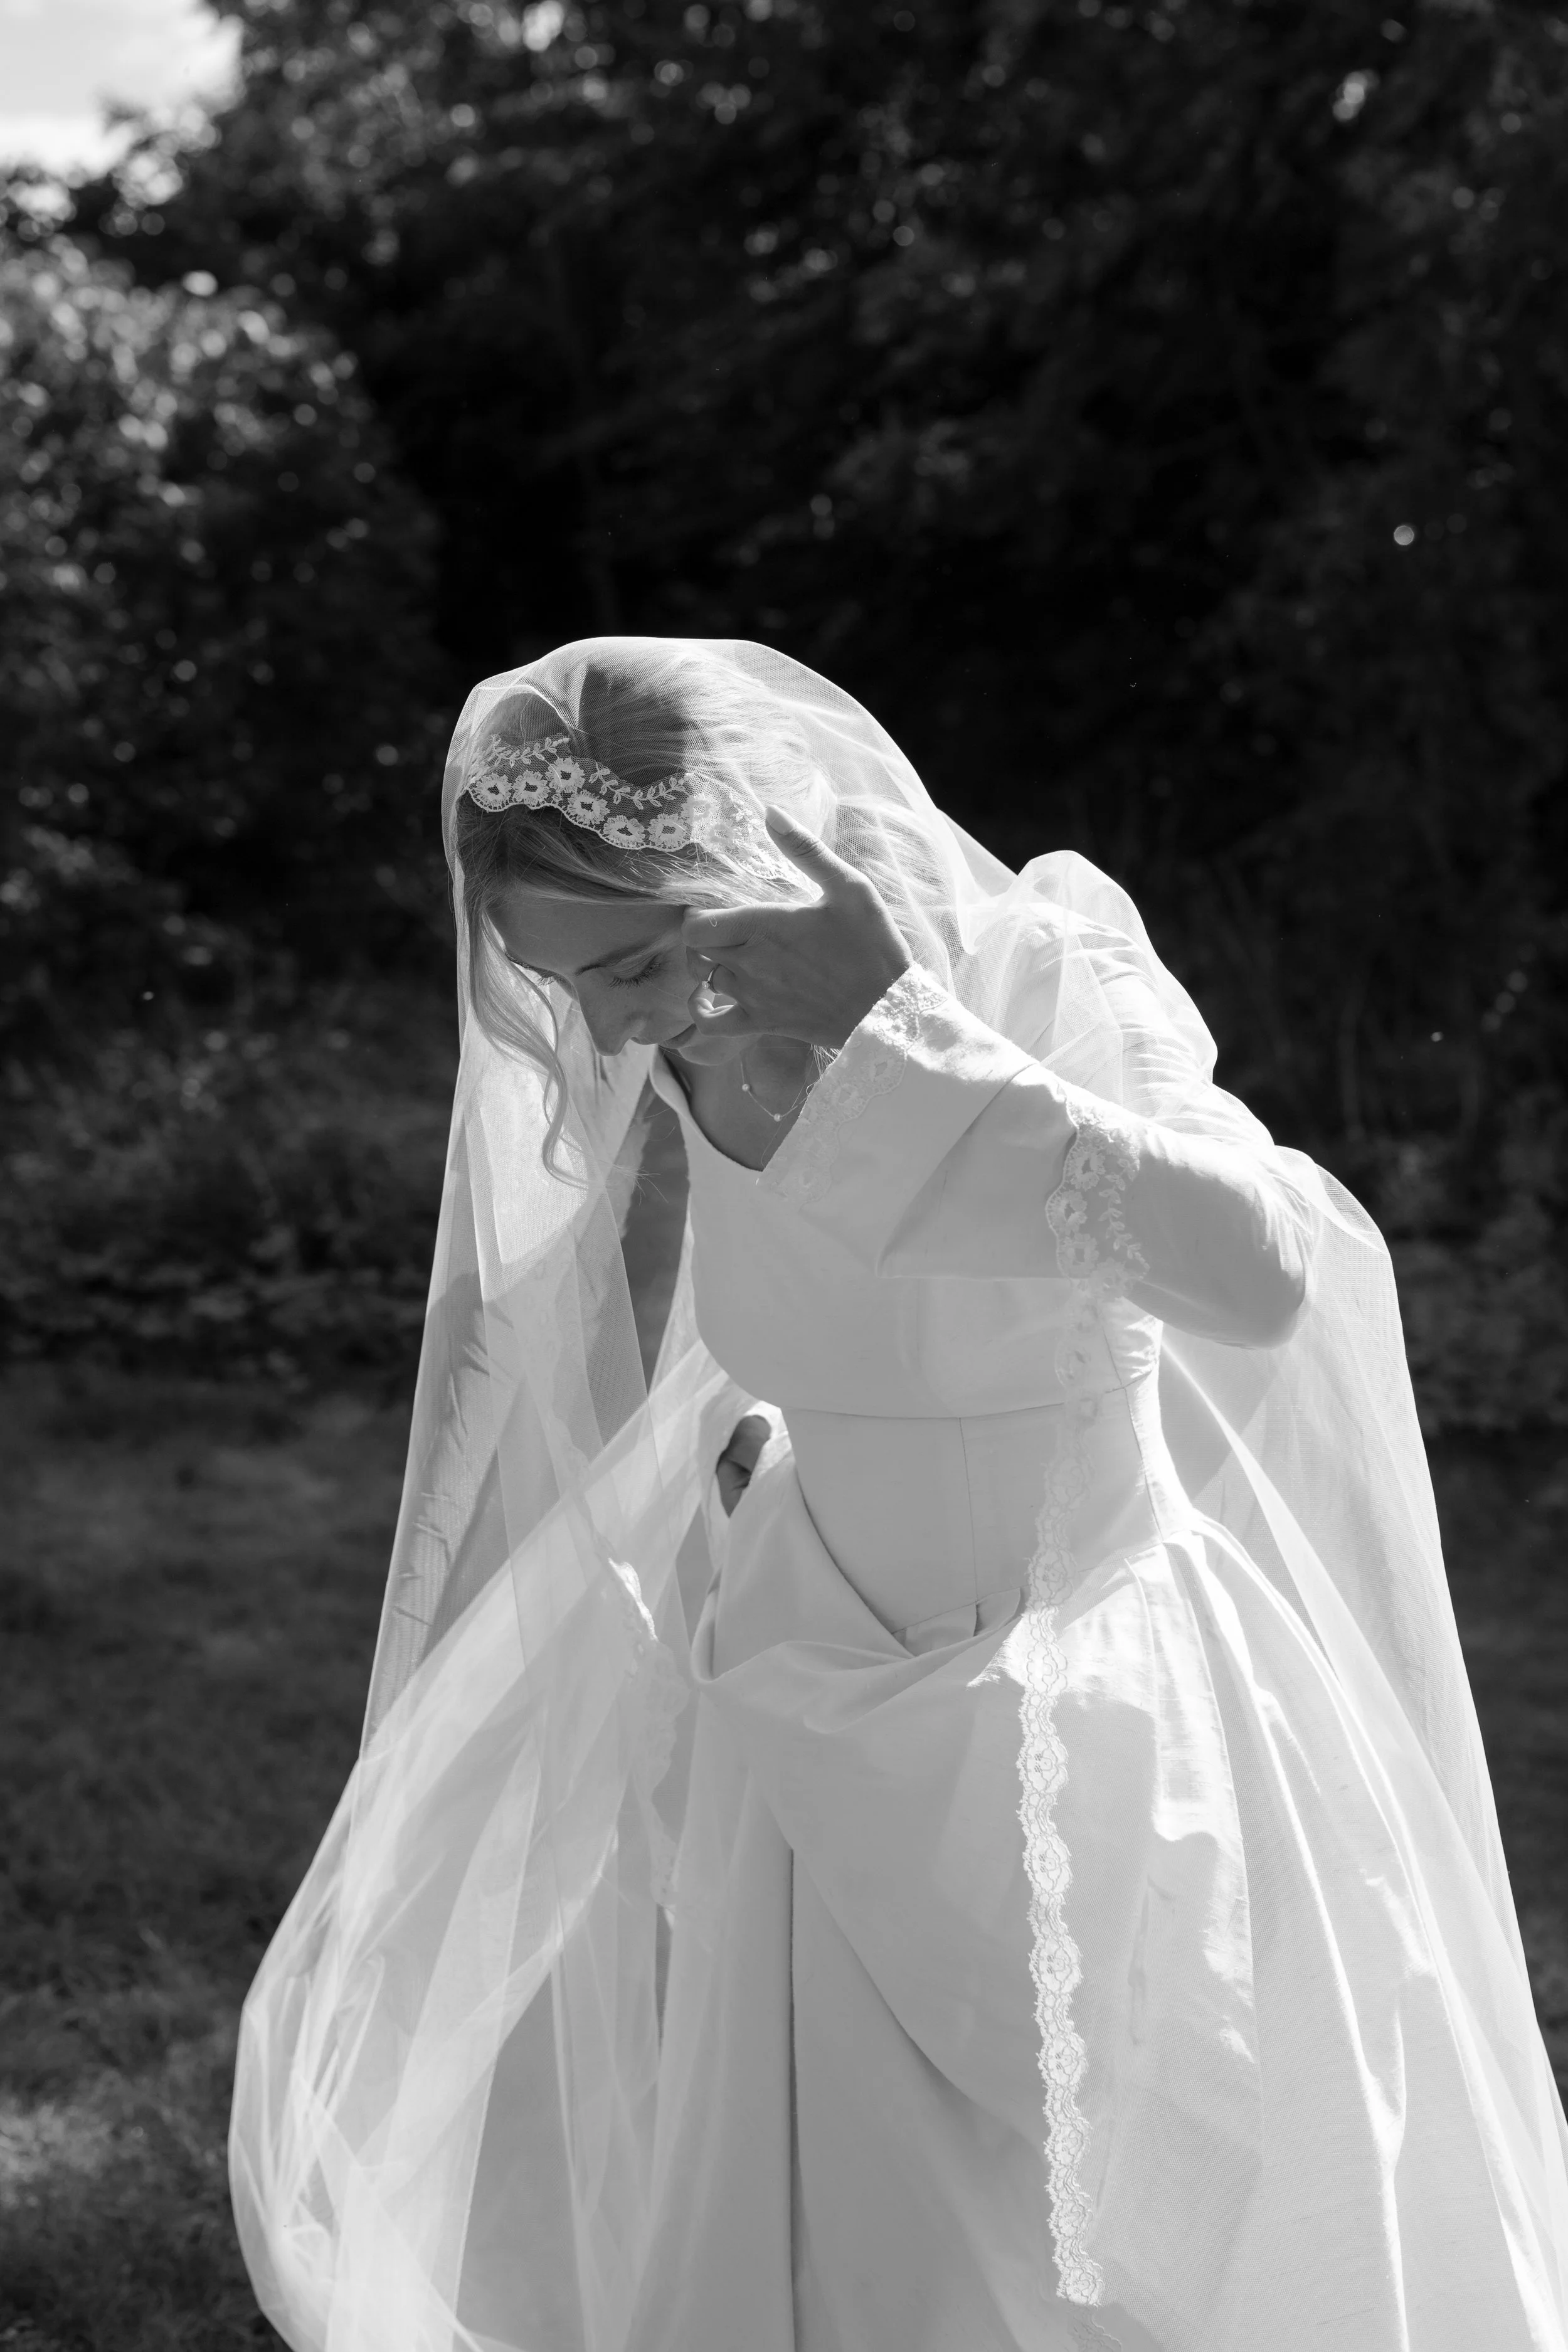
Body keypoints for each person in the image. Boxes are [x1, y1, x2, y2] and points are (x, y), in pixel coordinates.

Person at [230, 637, 1568, 2352]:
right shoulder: (687, 1051)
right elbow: (842, 1313)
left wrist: (898, 1037)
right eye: (566, 988)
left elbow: (1267, 1268)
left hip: (1074, 1703)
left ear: (740, 865)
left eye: (637, 962)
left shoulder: (1030, 967)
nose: (613, 1027)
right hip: (815, 1699)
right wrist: (771, 1447)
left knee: (1105, 2237)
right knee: (860, 2257)